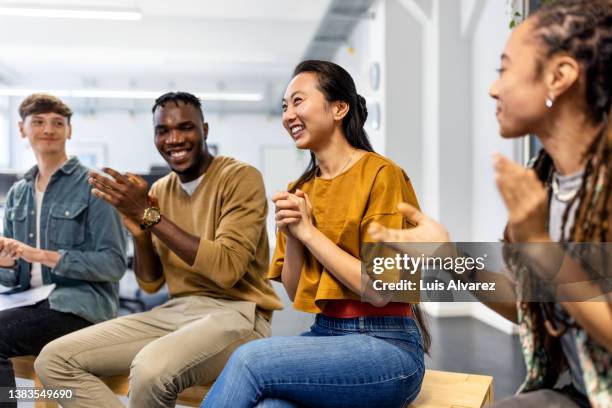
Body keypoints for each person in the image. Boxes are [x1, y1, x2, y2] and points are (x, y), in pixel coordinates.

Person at [369, 1, 611, 407]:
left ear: (560, 76)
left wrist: (538, 244)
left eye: (504, 69)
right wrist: (449, 259)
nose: (492, 88)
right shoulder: (543, 179)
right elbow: (525, 304)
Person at [201, 60, 428, 408]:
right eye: (284, 106)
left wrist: (308, 233)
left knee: (250, 360)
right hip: (327, 334)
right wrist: (292, 236)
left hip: (388, 346)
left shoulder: (382, 175)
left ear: (339, 108)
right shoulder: (300, 189)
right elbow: (295, 291)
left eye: (298, 101)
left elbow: (378, 289)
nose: (288, 115)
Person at [35, 92, 282, 408]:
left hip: (239, 314)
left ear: (204, 130)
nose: (174, 138)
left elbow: (226, 269)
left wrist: (150, 216)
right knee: (54, 359)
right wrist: (140, 234)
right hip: (176, 311)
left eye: (185, 127)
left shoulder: (240, 177)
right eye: (163, 131)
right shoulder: (160, 190)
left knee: (151, 369)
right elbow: (150, 283)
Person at [0, 94, 127, 408]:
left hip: (77, 308)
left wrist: (43, 255)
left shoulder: (95, 185)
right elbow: (12, 275)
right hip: (30, 303)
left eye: (58, 123)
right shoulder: (18, 193)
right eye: (39, 122)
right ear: (21, 129)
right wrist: (5, 264)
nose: (48, 129)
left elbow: (113, 264)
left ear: (69, 131)